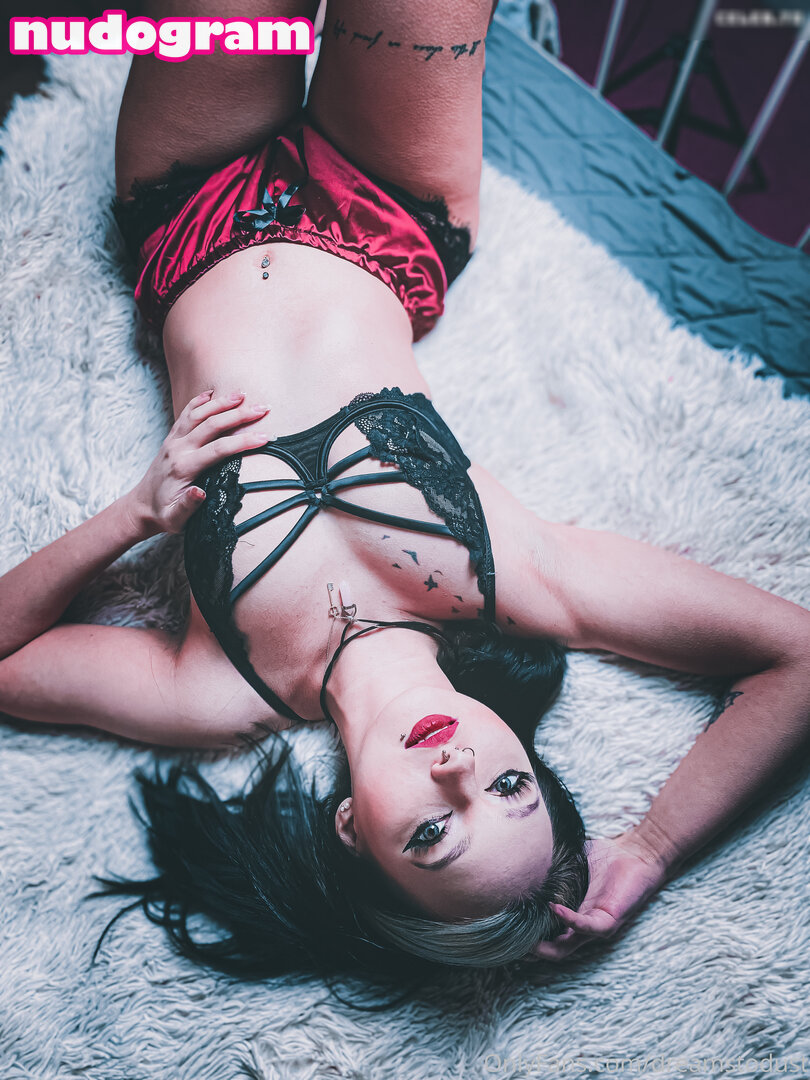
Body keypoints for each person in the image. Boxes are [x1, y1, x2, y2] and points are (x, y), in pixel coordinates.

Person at [1, 0, 809, 987]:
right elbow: (797, 658)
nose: (457, 770)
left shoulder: (222, 691)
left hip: (191, 210)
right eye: (509, 787)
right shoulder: (521, 578)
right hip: (382, 210)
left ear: (352, 830)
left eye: (432, 833)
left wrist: (130, 517)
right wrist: (649, 849)